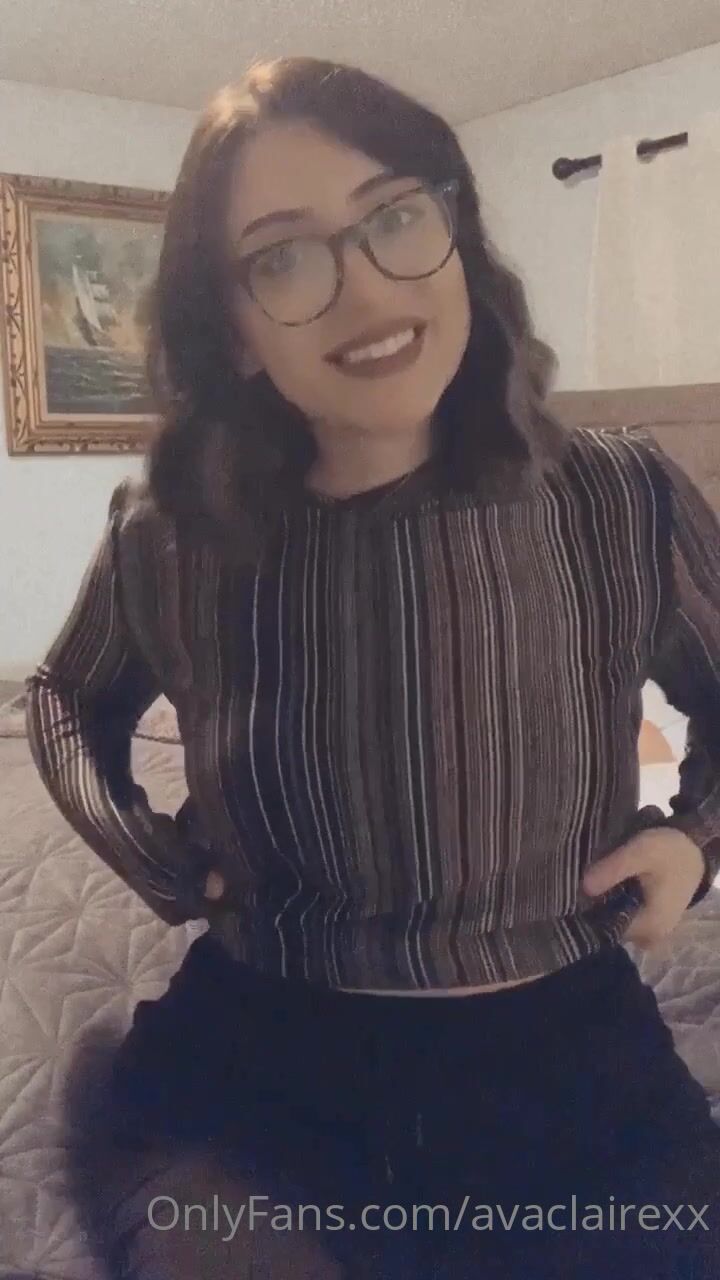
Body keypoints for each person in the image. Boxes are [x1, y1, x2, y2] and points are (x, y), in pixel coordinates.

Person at [27, 56, 720, 1280]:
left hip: (570, 1061)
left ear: (456, 238)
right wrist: (158, 855)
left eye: (395, 215)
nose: (365, 287)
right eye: (285, 257)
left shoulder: (620, 497)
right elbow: (66, 697)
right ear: (235, 331)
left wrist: (694, 840)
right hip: (256, 1070)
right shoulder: (173, 533)